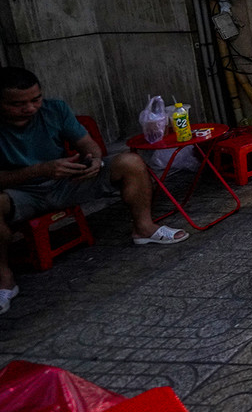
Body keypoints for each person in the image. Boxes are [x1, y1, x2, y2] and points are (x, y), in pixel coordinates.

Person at [1, 67, 187, 313]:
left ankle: (144, 228)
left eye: (36, 99)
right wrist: (39, 170)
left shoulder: (54, 109)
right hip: (19, 192)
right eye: (18, 104)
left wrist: (93, 160)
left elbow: (87, 143)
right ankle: (4, 278)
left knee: (130, 162)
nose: (31, 108)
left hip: (66, 180)